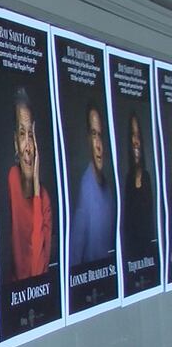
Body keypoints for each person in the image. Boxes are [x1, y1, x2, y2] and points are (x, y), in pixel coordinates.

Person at [5, 88, 53, 282]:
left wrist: (35, 191)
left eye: (31, 136)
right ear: (15, 143)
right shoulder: (11, 180)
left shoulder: (44, 199)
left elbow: (39, 272)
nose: (28, 147)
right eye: (22, 134)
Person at [69, 103, 116, 266]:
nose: (99, 146)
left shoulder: (108, 190)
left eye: (101, 135)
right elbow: (73, 257)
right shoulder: (84, 189)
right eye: (94, 134)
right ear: (88, 139)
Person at [121, 112, 155, 260]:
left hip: (148, 254)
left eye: (137, 135)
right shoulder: (127, 179)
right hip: (132, 255)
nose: (135, 141)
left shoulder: (147, 177)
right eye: (132, 135)